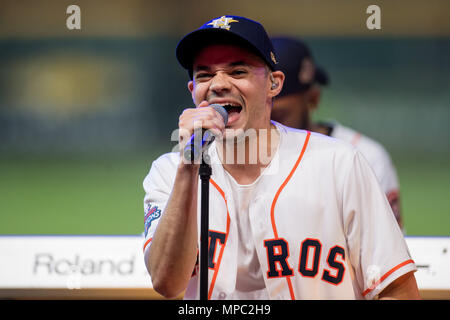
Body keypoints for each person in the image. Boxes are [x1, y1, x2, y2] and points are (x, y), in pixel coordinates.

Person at [142, 15, 419, 300]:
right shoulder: (169, 172)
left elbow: (397, 290)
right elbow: (166, 282)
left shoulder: (339, 164)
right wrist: (189, 166)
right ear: (193, 91)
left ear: (274, 84)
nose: (219, 84)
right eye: (204, 74)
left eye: (238, 72)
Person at [271, 37, 403, 229]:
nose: (271, 124)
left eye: (279, 114)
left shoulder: (366, 156)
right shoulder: (241, 159)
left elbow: (390, 252)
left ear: (314, 99)